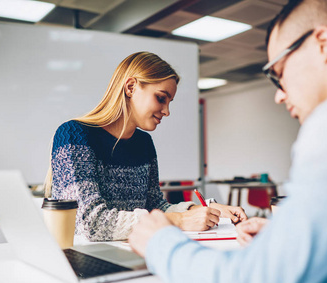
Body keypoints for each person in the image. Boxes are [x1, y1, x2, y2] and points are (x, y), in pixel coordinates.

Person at [128, 1, 327, 283]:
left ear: (323, 43)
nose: (279, 94)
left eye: (278, 72)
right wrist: (290, 241)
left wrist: (160, 244)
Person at [44, 52, 247, 242]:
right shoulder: (73, 135)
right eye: (161, 98)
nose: (166, 111)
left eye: (169, 102)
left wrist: (204, 210)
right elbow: (90, 222)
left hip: (136, 251)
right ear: (130, 87)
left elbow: (154, 205)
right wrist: (178, 221)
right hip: (87, 260)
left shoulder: (143, 143)